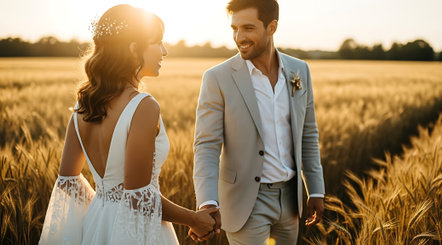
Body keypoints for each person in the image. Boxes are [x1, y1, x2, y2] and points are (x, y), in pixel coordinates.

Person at [39, 4, 218, 245]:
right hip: (137, 233)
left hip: (96, 224)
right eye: (158, 42)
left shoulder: (83, 105)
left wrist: (106, 205)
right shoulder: (144, 106)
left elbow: (68, 182)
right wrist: (193, 219)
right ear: (134, 48)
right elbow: (138, 197)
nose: (164, 51)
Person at [192, 0, 325, 244]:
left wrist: (315, 189)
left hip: (291, 199)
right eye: (234, 28)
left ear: (272, 27)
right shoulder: (217, 78)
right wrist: (207, 201)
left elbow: (308, 133)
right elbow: (206, 145)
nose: (239, 37)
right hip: (245, 202)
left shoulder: (299, 71)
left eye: (248, 28)